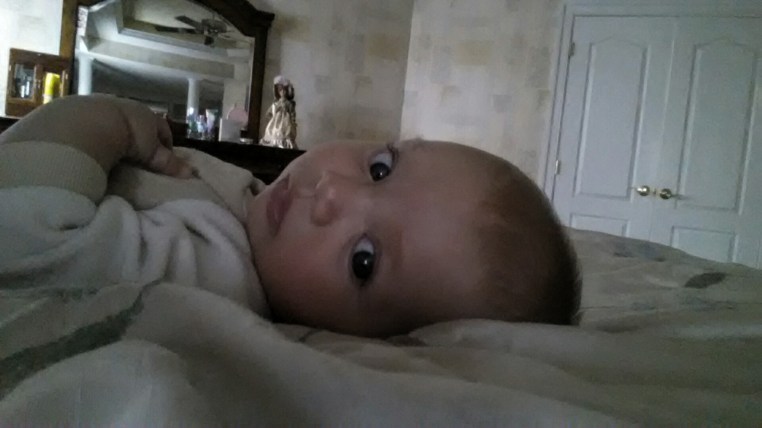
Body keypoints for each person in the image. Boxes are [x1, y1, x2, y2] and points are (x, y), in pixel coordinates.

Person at [0, 94, 578, 337]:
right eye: (380, 168)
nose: (331, 193)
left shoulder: (215, 272)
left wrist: (99, 120)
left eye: (364, 260)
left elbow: (27, 237)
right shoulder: (249, 204)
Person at [260, 75, 297, 149]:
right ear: (277, 92)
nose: (282, 92)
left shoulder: (288, 103)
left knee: (286, 134)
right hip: (275, 124)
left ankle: (284, 142)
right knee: (273, 133)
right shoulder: (276, 103)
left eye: (284, 90)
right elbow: (268, 113)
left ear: (287, 91)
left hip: (286, 124)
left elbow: (292, 113)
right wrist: (272, 119)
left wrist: (293, 122)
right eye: (280, 90)